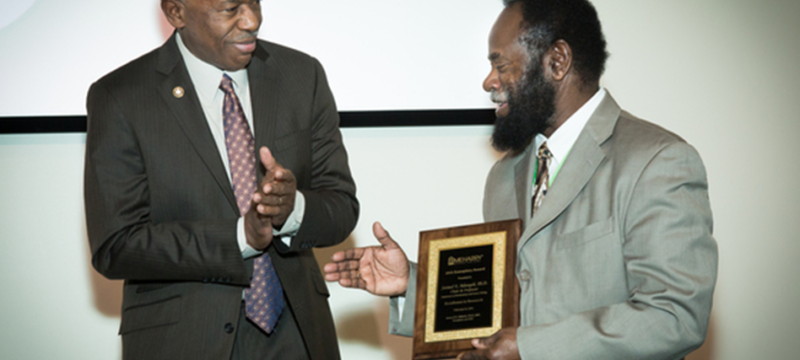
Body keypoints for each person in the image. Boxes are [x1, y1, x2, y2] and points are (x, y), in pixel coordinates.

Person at [324, 0, 717, 359]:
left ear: (557, 61)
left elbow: (673, 317)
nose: (489, 82)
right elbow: (502, 306)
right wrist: (414, 286)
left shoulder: (658, 161)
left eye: (501, 65)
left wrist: (530, 347)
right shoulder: (504, 175)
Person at [84, 0, 358, 359]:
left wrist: (292, 210)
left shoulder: (301, 74)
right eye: (230, 9)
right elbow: (116, 247)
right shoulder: (121, 96)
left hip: (299, 336)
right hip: (183, 341)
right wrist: (240, 237)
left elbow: (341, 205)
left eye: (255, 3)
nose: (252, 21)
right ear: (176, 13)